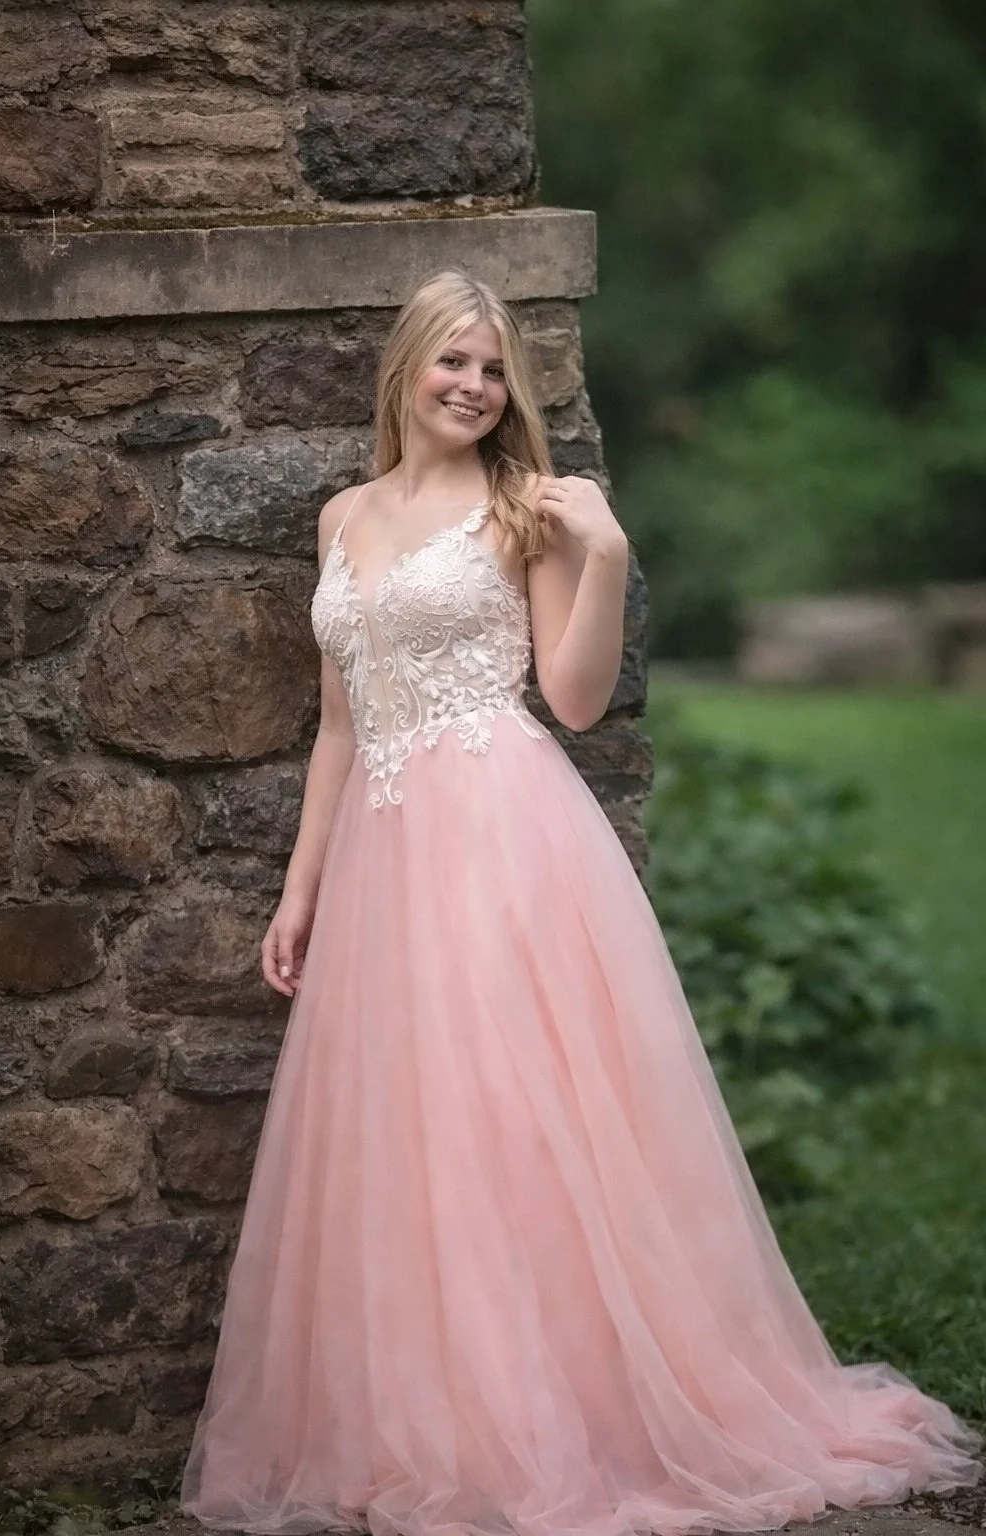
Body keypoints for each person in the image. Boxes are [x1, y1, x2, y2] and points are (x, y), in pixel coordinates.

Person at [181, 267, 981, 1536]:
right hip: (386, 859)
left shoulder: (528, 511)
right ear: (405, 369)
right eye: (453, 361)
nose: (473, 386)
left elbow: (574, 697)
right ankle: (432, 1420)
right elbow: (340, 725)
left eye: (493, 370)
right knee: (414, 1133)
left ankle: (563, 1423)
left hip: (500, 831)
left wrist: (603, 551)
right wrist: (301, 891)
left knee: (515, 1118)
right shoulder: (340, 516)